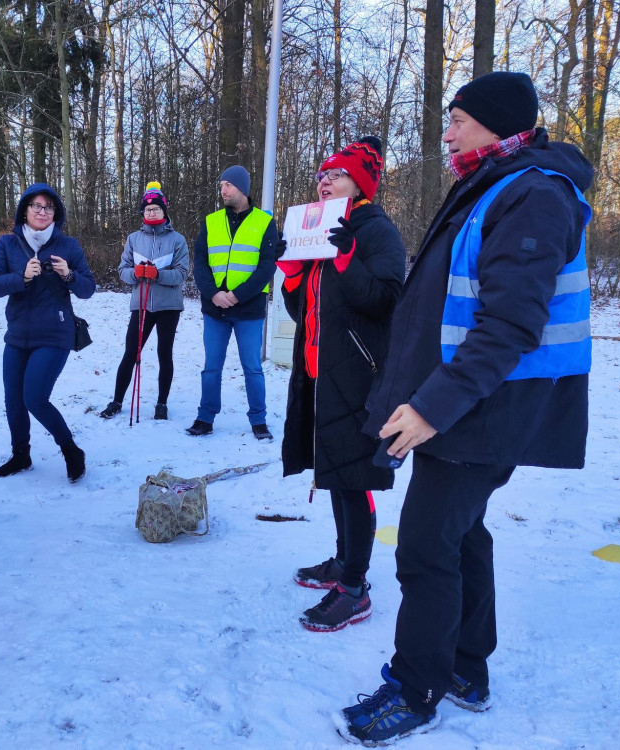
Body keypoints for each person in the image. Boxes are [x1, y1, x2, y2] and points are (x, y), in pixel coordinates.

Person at [334, 72, 593, 745]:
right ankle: (467, 669)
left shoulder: (533, 195)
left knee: (425, 545)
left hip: (485, 407)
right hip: (471, 402)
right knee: (462, 532)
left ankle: (416, 687)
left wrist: (430, 409)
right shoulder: (497, 183)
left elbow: (510, 326)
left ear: (499, 124)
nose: (446, 132)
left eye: (458, 120)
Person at [276, 138, 404, 633]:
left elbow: (386, 300)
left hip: (359, 373)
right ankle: (341, 559)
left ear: (361, 183)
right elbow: (305, 310)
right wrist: (288, 271)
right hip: (317, 370)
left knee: (355, 479)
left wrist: (348, 258)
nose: (324, 181)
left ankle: (355, 586)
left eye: (336, 174)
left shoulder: (375, 230)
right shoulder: (317, 232)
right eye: (322, 174)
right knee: (333, 471)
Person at [0, 183, 96, 482]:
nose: (42, 211)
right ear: (25, 210)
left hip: (55, 334)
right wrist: (20, 278)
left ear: (55, 213)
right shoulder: (8, 244)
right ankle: (21, 455)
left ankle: (71, 450)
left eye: (49, 207)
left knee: (34, 397)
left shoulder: (68, 246)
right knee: (13, 399)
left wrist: (68, 275)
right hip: (18, 335)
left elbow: (88, 289)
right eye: (36, 206)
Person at [187, 165, 278, 439]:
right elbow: (200, 262)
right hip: (214, 308)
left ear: (243, 188)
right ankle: (205, 417)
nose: (223, 190)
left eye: (228, 185)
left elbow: (267, 266)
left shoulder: (265, 222)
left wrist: (237, 295)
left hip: (249, 308)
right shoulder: (211, 221)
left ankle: (258, 420)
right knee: (211, 366)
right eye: (221, 185)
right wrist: (214, 293)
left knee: (252, 367)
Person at [99, 182, 189, 421]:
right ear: (143, 213)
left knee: (164, 353)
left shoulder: (177, 239)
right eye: (148, 209)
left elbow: (182, 274)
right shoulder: (133, 239)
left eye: (156, 208)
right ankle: (117, 400)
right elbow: (122, 271)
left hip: (168, 305)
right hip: (141, 305)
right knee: (131, 352)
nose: (151, 212)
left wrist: (158, 274)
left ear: (164, 211)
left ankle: (162, 403)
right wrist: (136, 273)